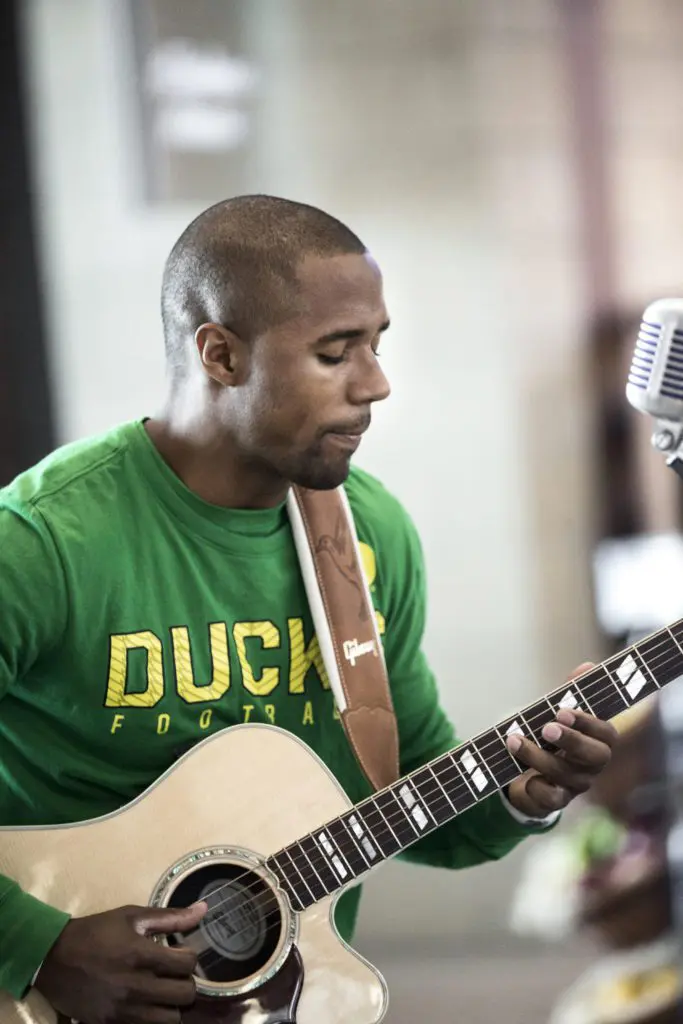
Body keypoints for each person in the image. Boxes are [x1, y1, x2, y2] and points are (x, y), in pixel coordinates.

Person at [0, 195, 616, 1023]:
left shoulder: (369, 535)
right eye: (335, 352)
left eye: (376, 343)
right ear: (220, 354)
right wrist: (36, 945)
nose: (376, 383)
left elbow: (405, 797)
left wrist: (521, 793)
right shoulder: (41, 542)